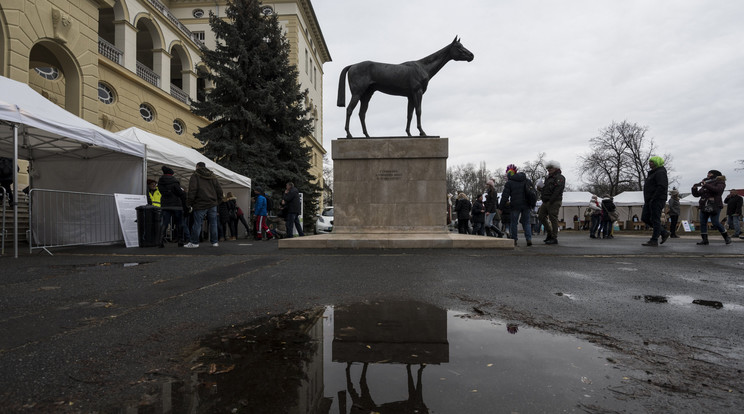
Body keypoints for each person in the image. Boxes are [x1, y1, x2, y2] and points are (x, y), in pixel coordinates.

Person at [185, 161, 222, 248]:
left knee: (198, 223)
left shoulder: (195, 175)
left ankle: (194, 242)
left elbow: (192, 190)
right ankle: (214, 242)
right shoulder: (212, 176)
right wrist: (218, 201)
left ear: (197, 166)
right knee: (213, 223)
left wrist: (189, 203)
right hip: (212, 203)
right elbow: (219, 189)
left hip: (200, 203)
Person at [691, 170, 730, 245]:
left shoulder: (720, 182)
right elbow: (697, 194)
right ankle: (705, 240)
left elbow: (718, 190)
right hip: (704, 204)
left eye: (710, 173)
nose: (708, 174)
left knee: (715, 222)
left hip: (715, 205)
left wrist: (705, 185)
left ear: (715, 174)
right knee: (703, 222)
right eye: (708, 173)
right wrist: (694, 188)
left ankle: (726, 237)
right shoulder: (706, 182)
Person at [499, 164, 533, 246]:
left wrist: (501, 207)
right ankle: (528, 238)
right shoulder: (527, 180)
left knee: (514, 223)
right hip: (526, 204)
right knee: (526, 222)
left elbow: (505, 196)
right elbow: (532, 193)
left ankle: (514, 239)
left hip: (515, 205)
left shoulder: (509, 183)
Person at [641, 156, 670, 246]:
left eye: (652, 162)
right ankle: (663, 232)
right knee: (645, 218)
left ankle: (654, 240)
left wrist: (654, 198)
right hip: (649, 199)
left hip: (657, 199)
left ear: (657, 162)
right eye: (649, 162)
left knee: (655, 219)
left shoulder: (660, 172)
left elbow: (662, 186)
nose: (650, 163)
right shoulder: (652, 173)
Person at [157, 165, 189, 247]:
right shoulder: (174, 182)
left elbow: (162, 192)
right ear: (171, 174)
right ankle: (180, 240)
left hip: (165, 204)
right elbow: (180, 193)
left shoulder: (160, 182)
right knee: (179, 223)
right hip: (176, 205)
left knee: (164, 223)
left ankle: (160, 241)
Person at [538, 160, 565, 245]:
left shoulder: (560, 177)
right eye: (548, 168)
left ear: (556, 168)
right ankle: (549, 233)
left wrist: (551, 200)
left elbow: (558, 190)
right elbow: (547, 189)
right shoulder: (548, 178)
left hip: (554, 201)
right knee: (541, 216)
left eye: (551, 168)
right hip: (546, 200)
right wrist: (540, 189)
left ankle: (554, 237)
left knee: (553, 218)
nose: (549, 169)